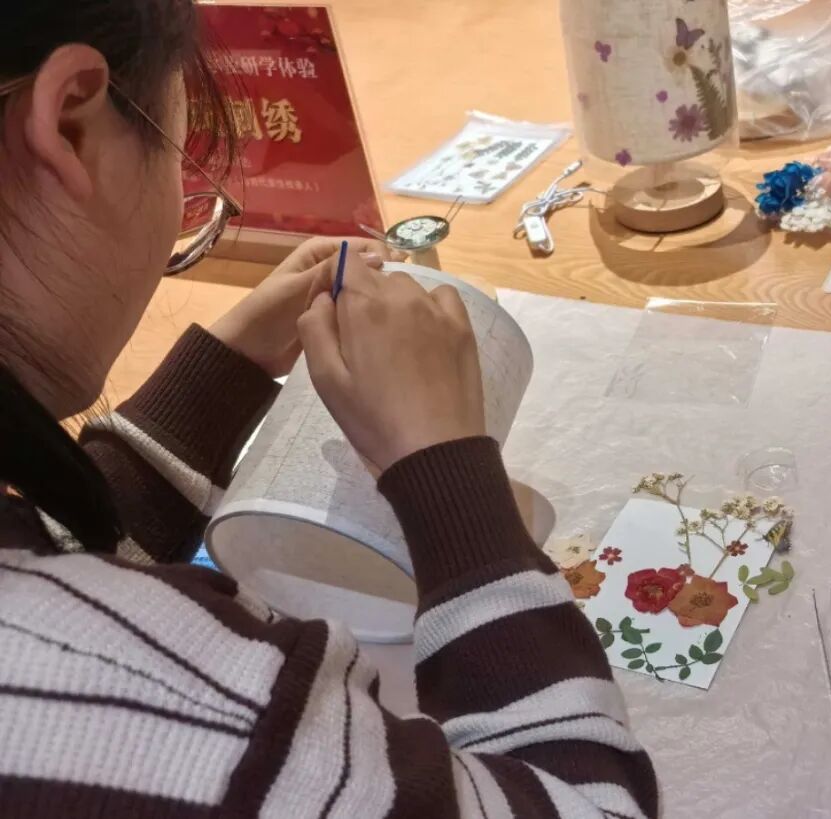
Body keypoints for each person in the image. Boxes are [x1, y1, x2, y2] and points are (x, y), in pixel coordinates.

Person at [0, 2, 658, 817]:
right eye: (182, 160)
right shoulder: (174, 705)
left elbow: (68, 557)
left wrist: (222, 376)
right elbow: (588, 801)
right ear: (71, 125)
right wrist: (448, 473)